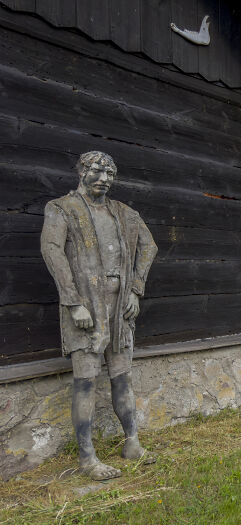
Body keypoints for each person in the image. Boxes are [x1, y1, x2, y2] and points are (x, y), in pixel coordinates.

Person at [40, 151, 158, 480]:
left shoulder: (123, 212)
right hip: (86, 308)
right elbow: (51, 250)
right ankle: (87, 458)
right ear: (82, 171)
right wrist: (73, 302)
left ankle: (132, 443)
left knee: (122, 378)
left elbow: (149, 247)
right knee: (86, 382)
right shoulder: (62, 208)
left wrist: (135, 288)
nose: (104, 178)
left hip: (120, 309)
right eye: (97, 170)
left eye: (110, 173)